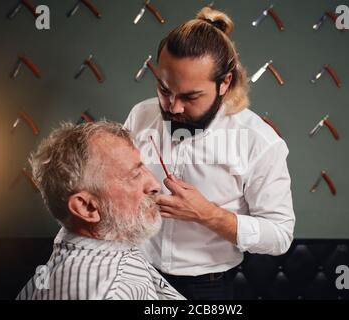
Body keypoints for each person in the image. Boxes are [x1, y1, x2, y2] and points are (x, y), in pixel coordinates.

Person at [124, 7, 295, 300]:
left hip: (207, 289)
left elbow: (280, 236)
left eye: (190, 97)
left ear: (225, 83)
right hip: (137, 276)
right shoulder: (141, 115)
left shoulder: (260, 142)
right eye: (165, 90)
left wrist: (207, 214)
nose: (173, 107)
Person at [17, 121, 184, 300]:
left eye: (142, 166)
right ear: (86, 207)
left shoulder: (106, 241)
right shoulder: (109, 292)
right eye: (134, 175)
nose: (155, 185)